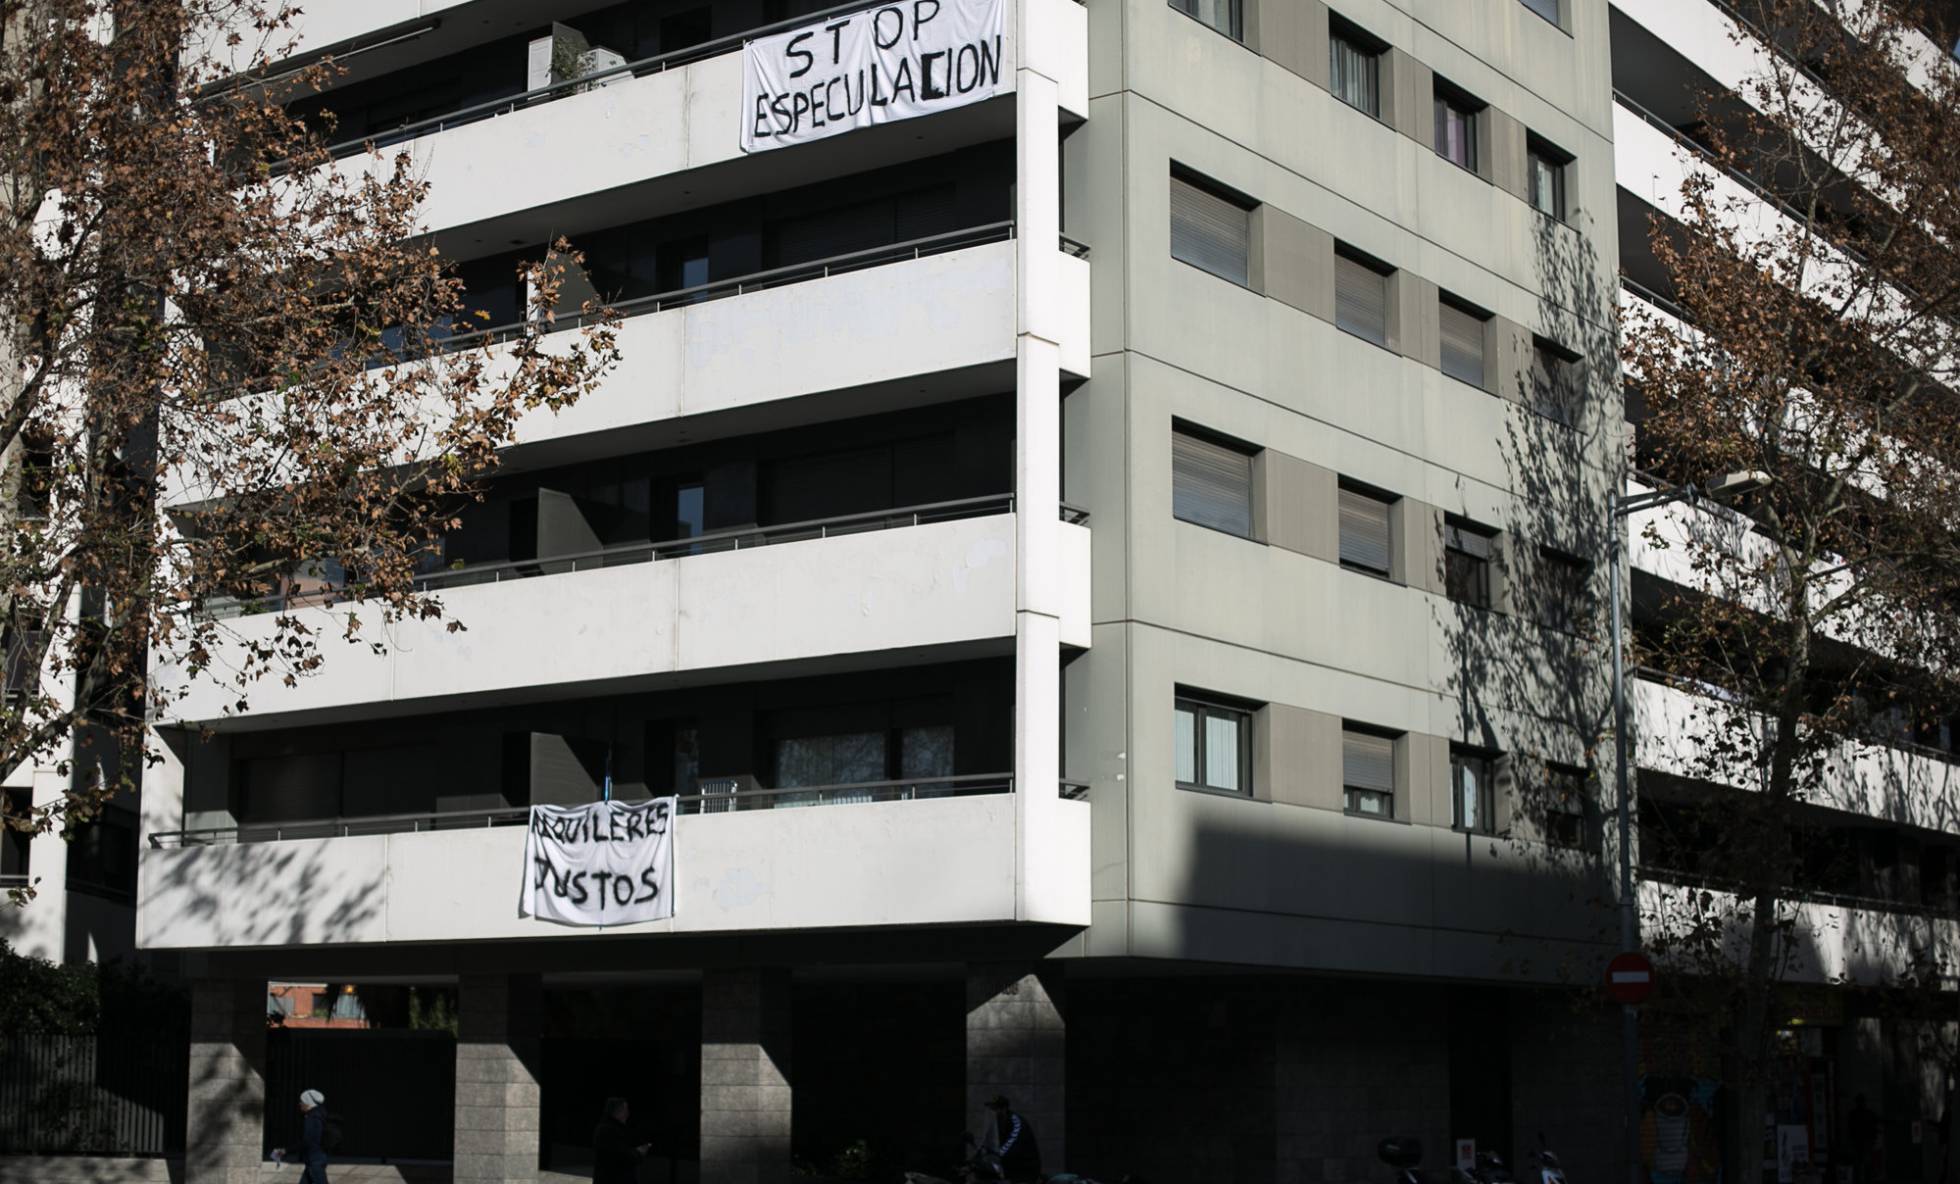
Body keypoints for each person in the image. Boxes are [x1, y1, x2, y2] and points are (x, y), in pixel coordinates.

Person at [276, 1089, 331, 1184]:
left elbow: (306, 1141)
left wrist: (286, 1150)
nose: (299, 1104)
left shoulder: (312, 1118)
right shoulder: (320, 1115)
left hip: (314, 1161)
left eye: (302, 1101)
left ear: (308, 1103)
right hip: (316, 1159)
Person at [984, 1095, 1041, 1184]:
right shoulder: (997, 1124)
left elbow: (1011, 1144)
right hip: (1010, 1169)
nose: (993, 1112)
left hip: (1025, 1171)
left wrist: (995, 1156)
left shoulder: (1016, 1122)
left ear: (1004, 1109)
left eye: (995, 1109)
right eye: (991, 1109)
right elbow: (988, 1142)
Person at [594, 1096, 651, 1184]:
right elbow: (622, 1156)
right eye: (625, 1110)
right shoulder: (608, 1130)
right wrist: (639, 1152)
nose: (628, 1113)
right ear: (618, 1112)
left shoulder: (613, 1128)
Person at [1850, 1094, 1880, 1184]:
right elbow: (1874, 1127)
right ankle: (1865, 1180)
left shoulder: (1854, 1114)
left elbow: (1850, 1129)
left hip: (1861, 1142)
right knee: (1865, 1164)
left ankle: (1860, 1180)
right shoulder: (1868, 1114)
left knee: (1861, 1164)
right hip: (1864, 1142)